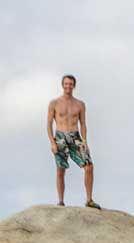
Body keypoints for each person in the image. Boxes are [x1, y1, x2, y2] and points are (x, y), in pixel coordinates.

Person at [48, 74, 100, 209]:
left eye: (70, 84)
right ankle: (60, 201)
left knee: (89, 166)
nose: (68, 86)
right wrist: (52, 143)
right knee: (61, 169)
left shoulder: (80, 104)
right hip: (60, 137)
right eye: (66, 84)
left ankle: (89, 200)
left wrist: (85, 141)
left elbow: (83, 124)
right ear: (62, 85)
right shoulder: (54, 103)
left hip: (75, 137)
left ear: (74, 86)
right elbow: (48, 124)